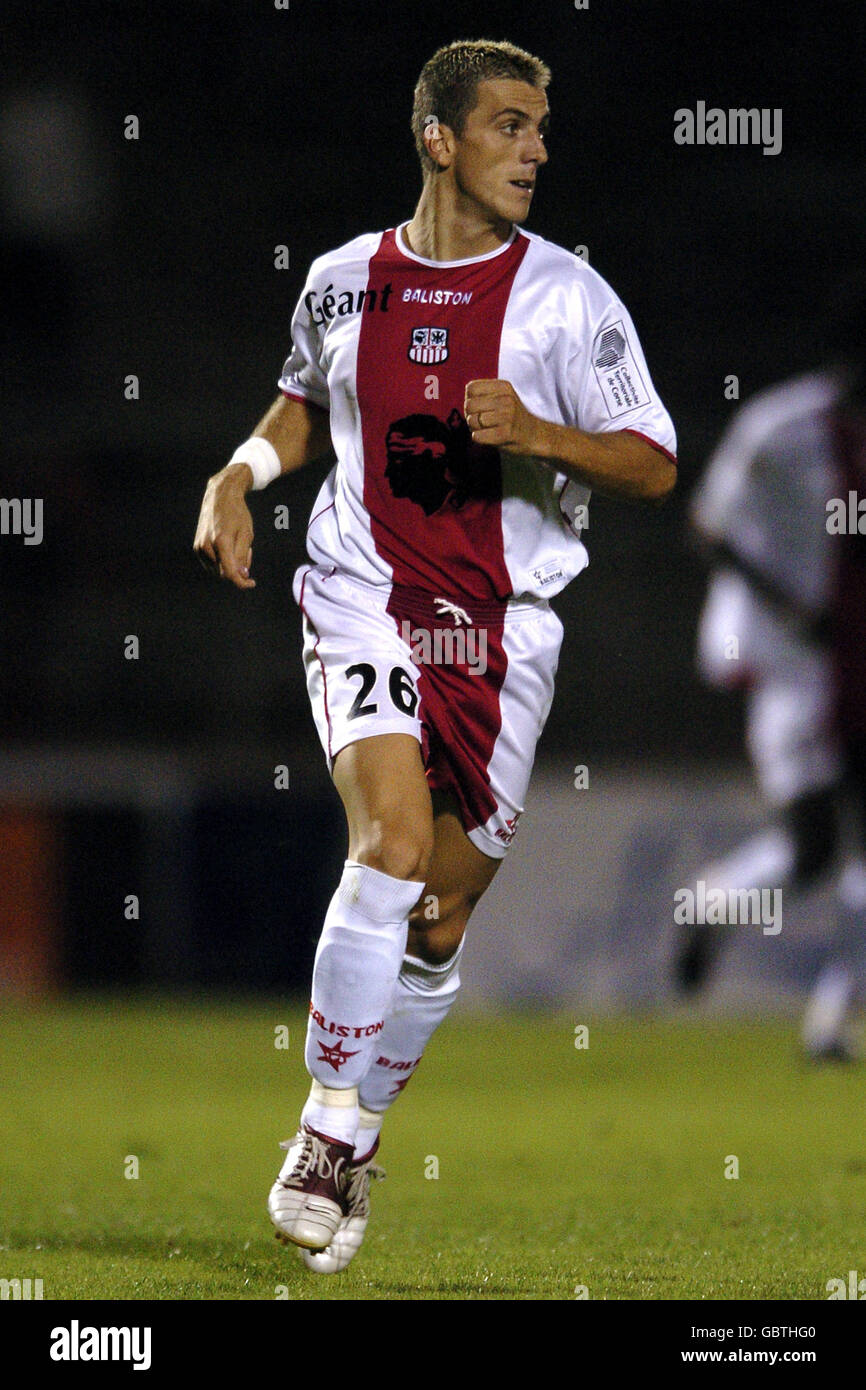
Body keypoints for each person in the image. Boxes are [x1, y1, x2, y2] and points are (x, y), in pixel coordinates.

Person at [194, 38, 676, 1273]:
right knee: (391, 848)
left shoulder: (568, 297)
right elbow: (304, 399)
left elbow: (654, 462)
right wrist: (241, 474)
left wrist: (543, 433)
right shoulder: (342, 279)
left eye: (540, 128)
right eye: (510, 125)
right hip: (364, 596)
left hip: (504, 631)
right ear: (438, 138)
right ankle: (322, 1134)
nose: (535, 148)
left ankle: (354, 1132)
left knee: (443, 911)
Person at [673, 289, 866, 1060]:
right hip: (785, 661)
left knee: (841, 844)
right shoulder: (781, 426)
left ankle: (829, 1023)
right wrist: (790, 609)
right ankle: (712, 904)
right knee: (816, 844)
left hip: (845, 657)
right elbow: (706, 528)